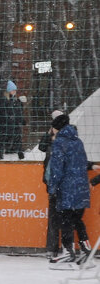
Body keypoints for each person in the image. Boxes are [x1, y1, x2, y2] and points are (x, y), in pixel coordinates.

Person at [46, 113, 91, 263]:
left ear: (56, 128)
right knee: (77, 219)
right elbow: (83, 163)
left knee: (65, 220)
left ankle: (68, 251)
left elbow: (57, 169)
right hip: (81, 187)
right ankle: (86, 250)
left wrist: (53, 188)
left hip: (67, 187)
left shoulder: (60, 143)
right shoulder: (78, 141)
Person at [38, 110, 65, 258]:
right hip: (53, 182)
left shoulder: (67, 138)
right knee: (55, 216)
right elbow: (41, 147)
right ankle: (55, 247)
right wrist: (49, 135)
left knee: (64, 217)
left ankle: (65, 247)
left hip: (61, 183)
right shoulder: (50, 139)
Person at [0, 81, 26, 160]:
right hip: (5, 125)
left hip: (14, 124)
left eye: (15, 90)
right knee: (2, 140)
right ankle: (0, 156)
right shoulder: (3, 100)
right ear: (9, 90)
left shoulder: (15, 100)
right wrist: (9, 118)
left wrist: (21, 120)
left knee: (17, 139)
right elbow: (3, 112)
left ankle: (20, 155)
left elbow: (18, 112)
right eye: (13, 90)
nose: (15, 92)